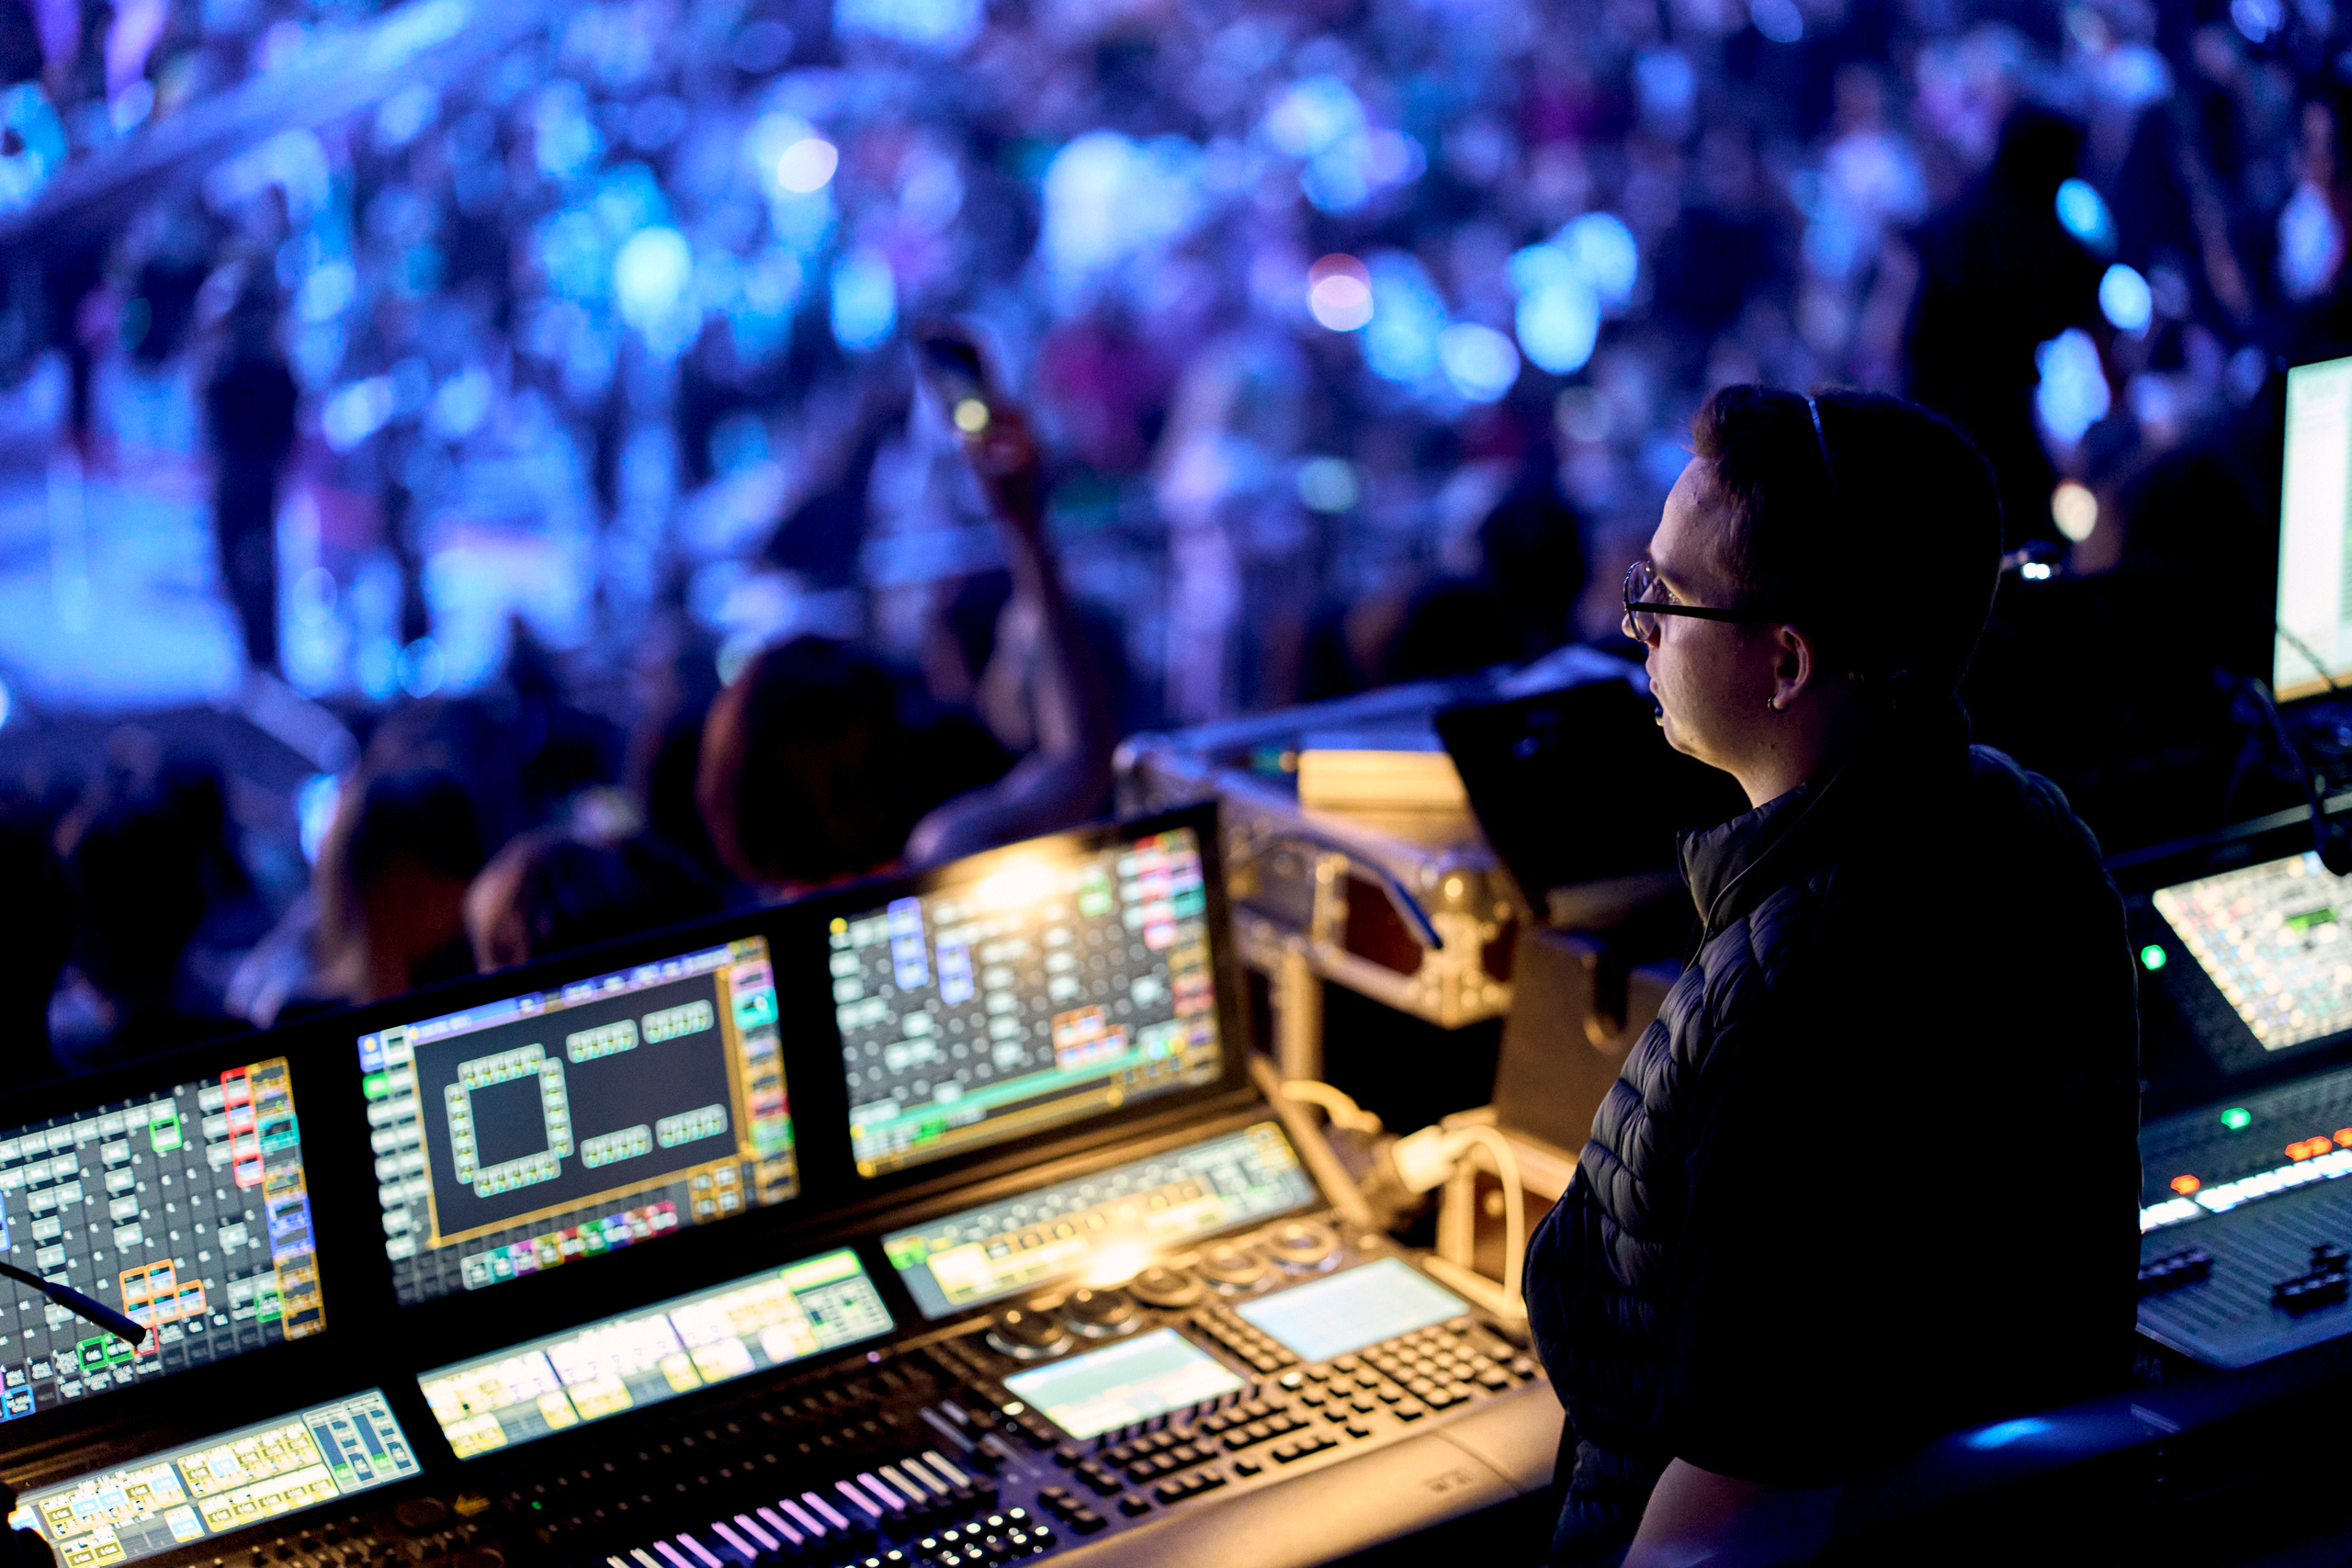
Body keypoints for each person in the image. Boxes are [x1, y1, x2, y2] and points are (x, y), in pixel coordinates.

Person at [1523, 385, 2140, 1567]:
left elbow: (1731, 1523)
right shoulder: (2024, 824)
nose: (1635, 624)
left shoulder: (1809, 1002)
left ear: (1786, 661)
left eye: (1662, 593)